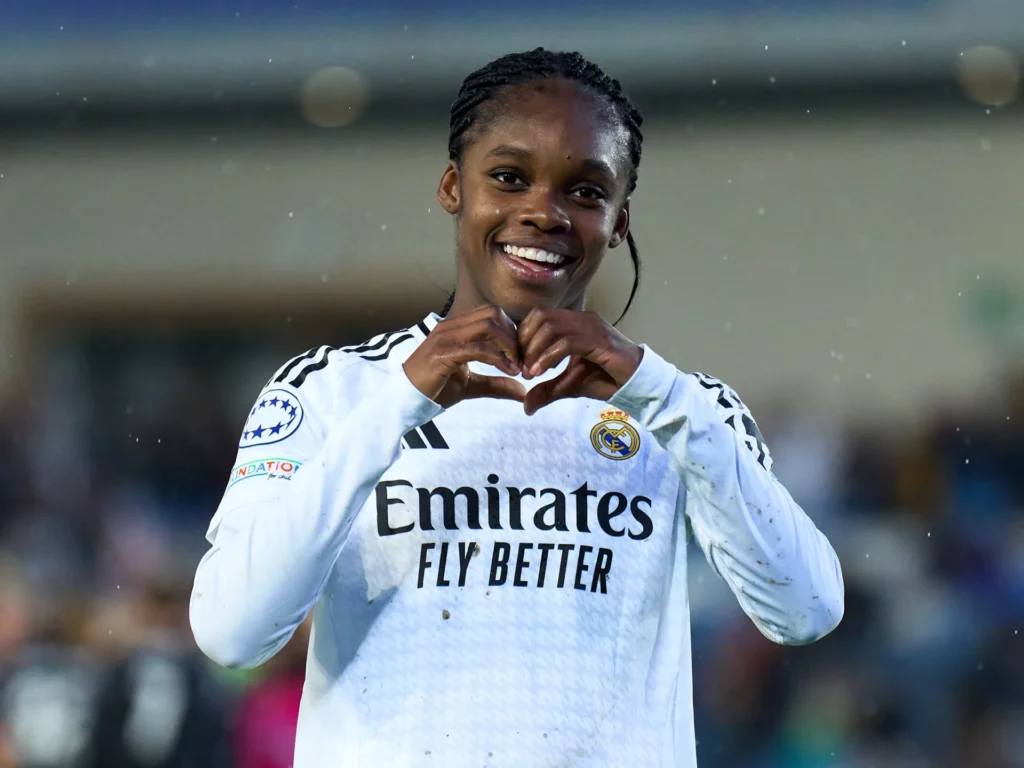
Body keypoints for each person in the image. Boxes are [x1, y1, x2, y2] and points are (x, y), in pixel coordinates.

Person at [190, 48, 845, 767]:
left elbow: (805, 611)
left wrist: (658, 394)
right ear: (452, 187)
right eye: (508, 177)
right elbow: (232, 632)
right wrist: (401, 403)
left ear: (619, 220)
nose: (544, 211)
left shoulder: (681, 409)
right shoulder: (332, 390)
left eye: (586, 191)